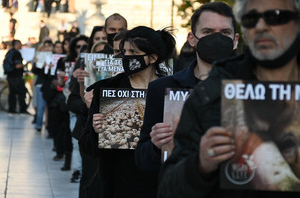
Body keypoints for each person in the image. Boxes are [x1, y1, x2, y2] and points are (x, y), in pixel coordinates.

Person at [159, 0, 300, 197]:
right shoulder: (212, 91)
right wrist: (200, 165)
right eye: (251, 19)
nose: (261, 26)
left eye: (276, 17)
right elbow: (168, 188)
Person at [135, 1, 239, 173]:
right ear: (192, 39)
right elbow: (143, 161)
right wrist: (155, 145)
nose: (216, 38)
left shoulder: (254, 89)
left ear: (235, 40)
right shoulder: (162, 88)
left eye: (225, 32)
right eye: (207, 32)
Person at [79, 25, 176, 198]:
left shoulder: (171, 91)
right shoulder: (106, 89)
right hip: (117, 184)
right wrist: (95, 131)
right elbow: (87, 148)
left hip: (158, 183)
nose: (127, 57)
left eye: (134, 52)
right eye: (125, 52)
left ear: (152, 58)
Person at [4, 39, 29, 115]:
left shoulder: (9, 53)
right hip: (16, 77)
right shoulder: (16, 53)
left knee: (12, 94)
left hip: (10, 76)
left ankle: (12, 109)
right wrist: (25, 65)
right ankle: (22, 110)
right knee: (21, 93)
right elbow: (18, 65)